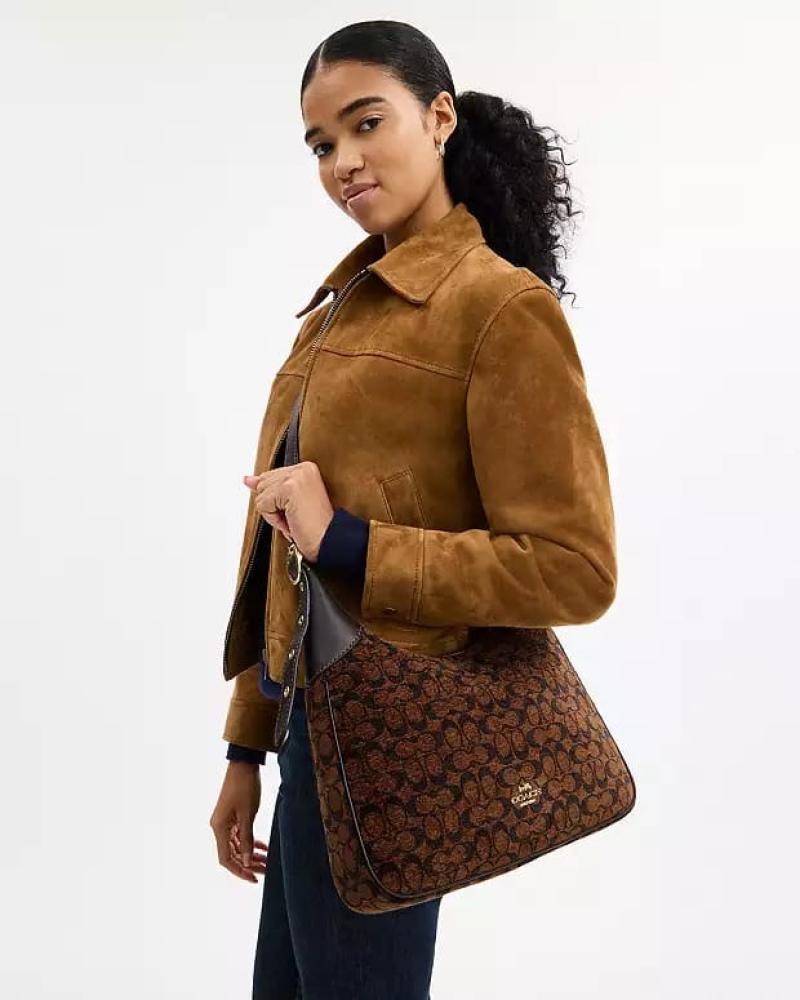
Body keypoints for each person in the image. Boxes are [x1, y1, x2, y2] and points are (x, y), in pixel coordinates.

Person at [209, 18, 617, 1000]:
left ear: (438, 117)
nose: (342, 162)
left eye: (365, 124)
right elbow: (283, 557)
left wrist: (350, 538)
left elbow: (574, 567)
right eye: (320, 144)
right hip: (311, 739)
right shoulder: (334, 314)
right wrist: (246, 744)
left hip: (397, 744)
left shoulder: (498, 309)